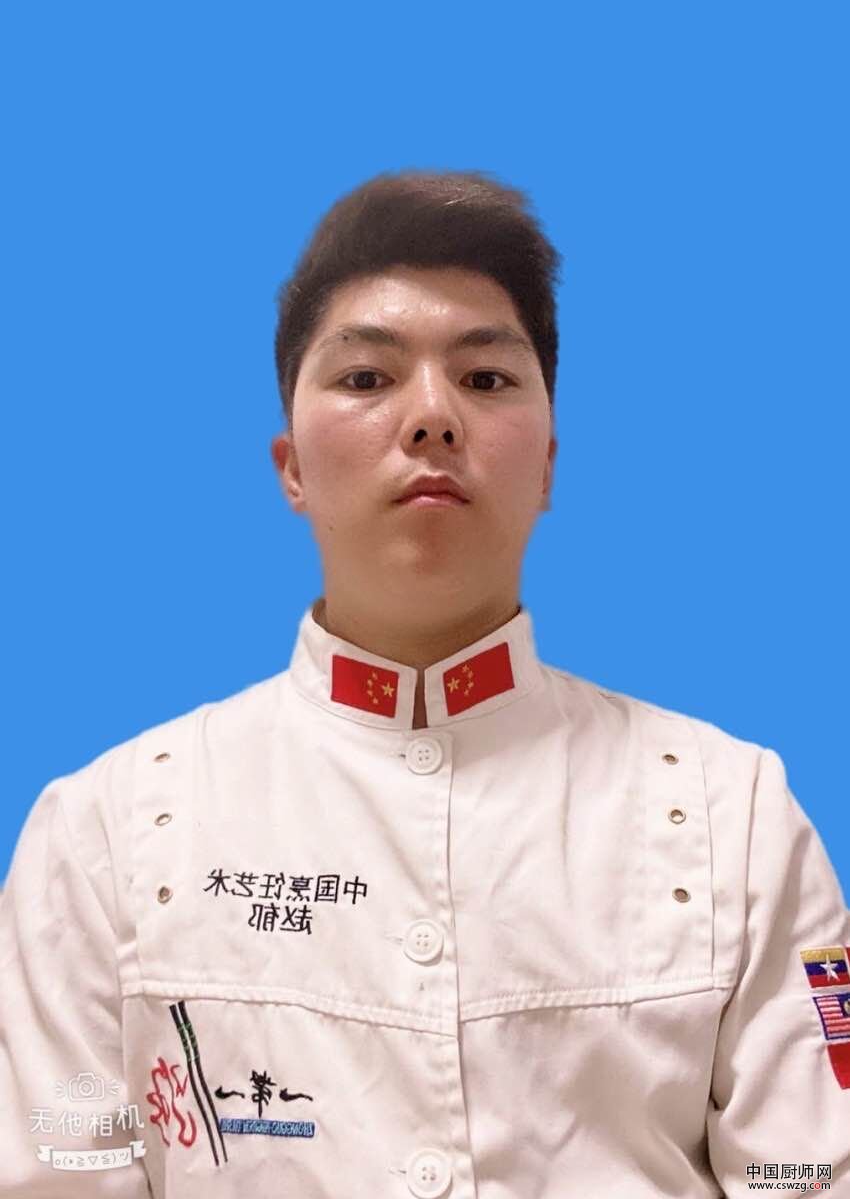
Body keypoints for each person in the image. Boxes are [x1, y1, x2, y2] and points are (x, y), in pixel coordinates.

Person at [1, 170, 848, 1198]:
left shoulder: (729, 814)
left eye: (485, 379)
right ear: (291, 466)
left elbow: (810, 1175)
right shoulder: (106, 834)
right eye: (367, 378)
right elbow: (57, 1178)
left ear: (548, 463)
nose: (433, 417)